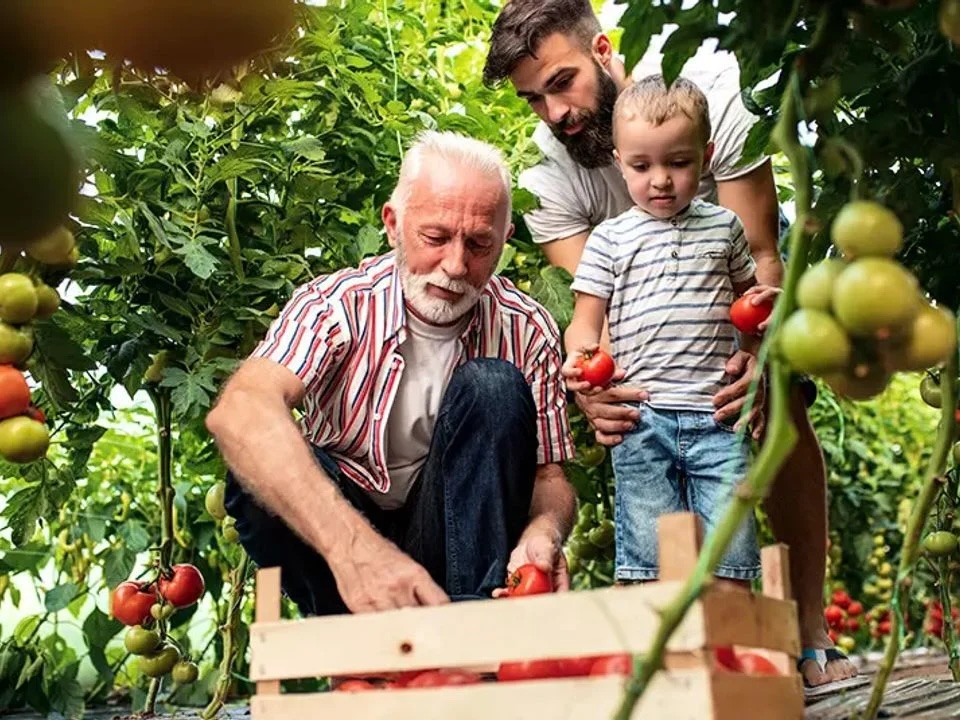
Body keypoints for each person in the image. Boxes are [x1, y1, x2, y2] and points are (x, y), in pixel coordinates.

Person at [483, 0, 857, 688]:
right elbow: (592, 305)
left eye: (561, 83)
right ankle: (666, 648)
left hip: (728, 310)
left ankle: (806, 628)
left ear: (603, 49)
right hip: (646, 335)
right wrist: (591, 386)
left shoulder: (712, 90)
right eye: (533, 99)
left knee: (778, 400)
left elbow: (763, 256)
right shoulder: (549, 181)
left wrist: (759, 355)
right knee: (643, 479)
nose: (553, 112)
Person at [205, 130, 577, 617]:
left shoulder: (525, 327)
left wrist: (544, 528)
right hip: (343, 547)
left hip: (458, 544)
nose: (456, 265)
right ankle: (354, 637)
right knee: (255, 476)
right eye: (435, 238)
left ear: (505, 241)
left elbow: (550, 475)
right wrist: (355, 550)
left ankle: (475, 634)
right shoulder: (337, 306)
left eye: (480, 244)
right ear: (393, 223)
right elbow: (239, 412)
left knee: (494, 387)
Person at [563, 75, 774, 586]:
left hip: (716, 414)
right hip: (642, 417)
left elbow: (750, 304)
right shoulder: (609, 240)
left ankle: (733, 655)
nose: (660, 180)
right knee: (648, 561)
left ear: (706, 154)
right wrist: (581, 360)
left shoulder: (724, 228)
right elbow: (584, 324)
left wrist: (757, 332)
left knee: (732, 552)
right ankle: (656, 660)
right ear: (619, 162)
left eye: (677, 163)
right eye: (641, 166)